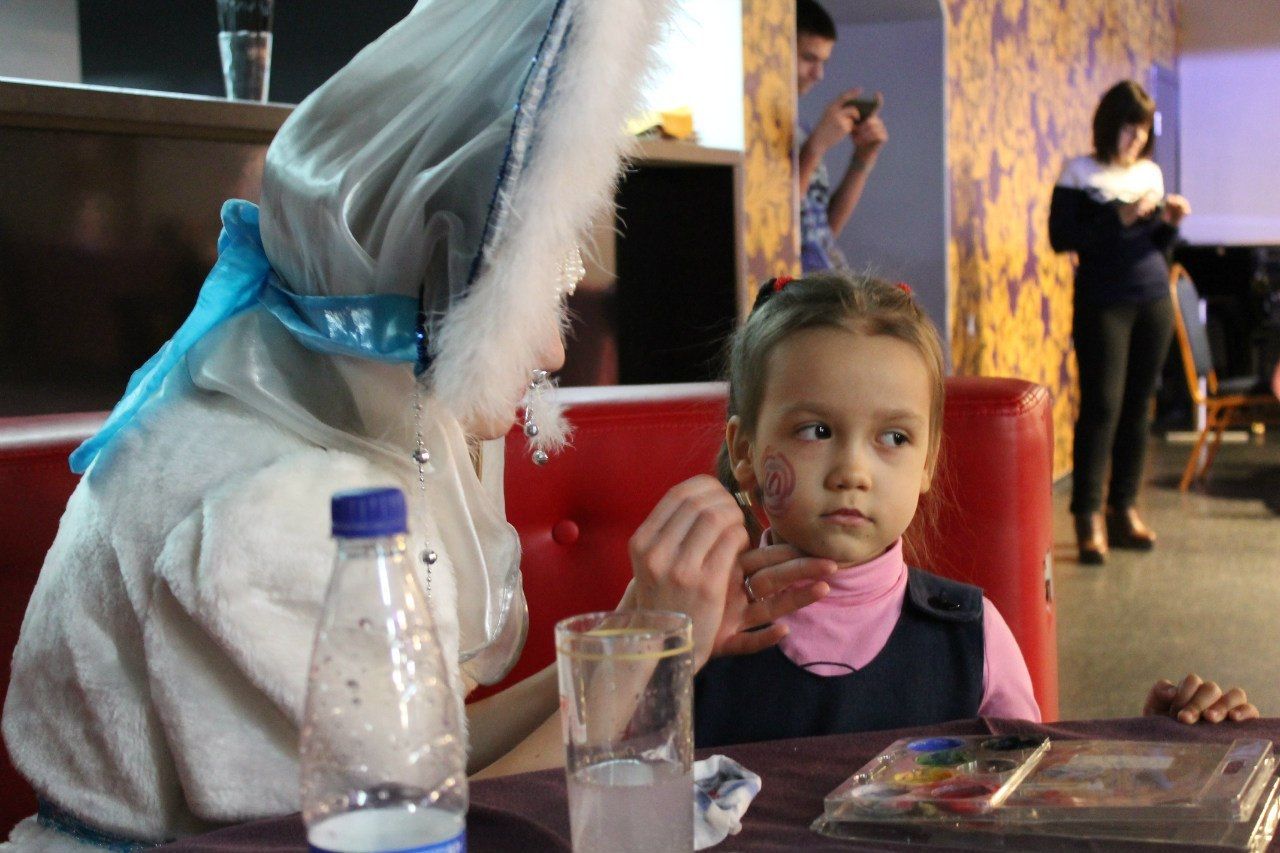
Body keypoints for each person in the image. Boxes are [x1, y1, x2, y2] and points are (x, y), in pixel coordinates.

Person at [1, 1, 834, 847]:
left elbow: (424, 754)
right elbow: (425, 828)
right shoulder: (284, 510)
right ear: (425, 280)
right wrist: (654, 658)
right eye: (527, 299)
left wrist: (638, 636)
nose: (553, 349)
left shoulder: (302, 412)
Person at [693, 273, 1259, 748]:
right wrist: (668, 654)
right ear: (745, 452)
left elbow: (1030, 803)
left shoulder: (972, 639)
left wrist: (1162, 746)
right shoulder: (693, 629)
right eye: (816, 431)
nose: (852, 472)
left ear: (927, 463)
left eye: (893, 437)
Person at [1049, 80, 1191, 565]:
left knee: (1138, 407)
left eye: (1144, 129)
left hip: (1153, 297)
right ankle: (1087, 514)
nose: (1137, 138)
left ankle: (1123, 508)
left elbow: (1156, 247)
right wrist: (1120, 217)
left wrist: (1169, 224)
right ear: (1110, 126)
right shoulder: (1079, 171)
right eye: (1129, 127)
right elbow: (1061, 237)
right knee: (1102, 406)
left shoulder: (1150, 173)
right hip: (1103, 301)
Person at [795, 0, 889, 273]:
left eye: (823, 62)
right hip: (794, 289)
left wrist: (863, 159)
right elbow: (777, 224)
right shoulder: (756, 128)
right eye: (808, 58)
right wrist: (815, 148)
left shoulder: (799, 129)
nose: (819, 74)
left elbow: (822, 231)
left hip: (826, 280)